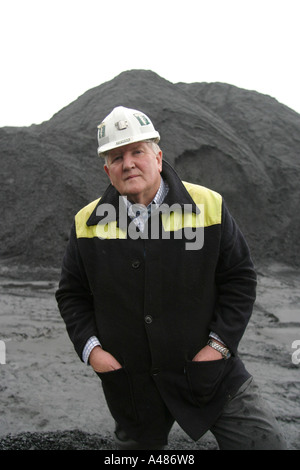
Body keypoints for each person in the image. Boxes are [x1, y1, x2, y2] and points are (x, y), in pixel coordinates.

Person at [55, 106, 287, 450]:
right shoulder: (88, 222)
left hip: (210, 373)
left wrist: (219, 346)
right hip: (132, 385)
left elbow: (239, 279)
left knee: (266, 444)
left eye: (138, 151)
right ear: (108, 170)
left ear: (158, 157)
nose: (128, 163)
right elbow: (72, 293)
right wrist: (94, 352)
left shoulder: (208, 206)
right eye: (117, 157)